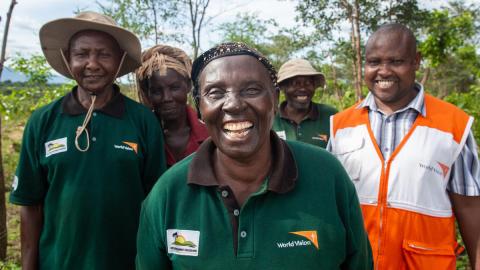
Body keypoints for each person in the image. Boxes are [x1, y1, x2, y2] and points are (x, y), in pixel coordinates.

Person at [136, 42, 372, 269]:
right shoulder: (168, 193)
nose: (234, 104)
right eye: (215, 93)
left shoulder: (328, 176)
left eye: (251, 90)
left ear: (275, 99)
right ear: (199, 107)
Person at [9, 11, 167, 269]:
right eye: (81, 54)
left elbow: (157, 202)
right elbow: (30, 204)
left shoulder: (142, 121)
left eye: (104, 54)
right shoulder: (43, 121)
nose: (92, 64)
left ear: (119, 61)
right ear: (68, 59)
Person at [328, 23, 480, 270]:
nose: (383, 71)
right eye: (374, 62)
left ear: (416, 61)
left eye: (396, 61)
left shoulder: (454, 126)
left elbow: (472, 211)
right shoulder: (340, 126)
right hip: (356, 263)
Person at [136, 45, 209, 167]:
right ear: (147, 93)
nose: (167, 98)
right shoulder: (139, 135)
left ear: (188, 85)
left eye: (174, 88)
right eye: (157, 91)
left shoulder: (211, 133)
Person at [272, 58, 337, 148]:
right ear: (283, 87)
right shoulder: (271, 118)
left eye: (308, 83)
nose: (303, 88)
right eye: (295, 83)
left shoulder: (331, 116)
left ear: (314, 86)